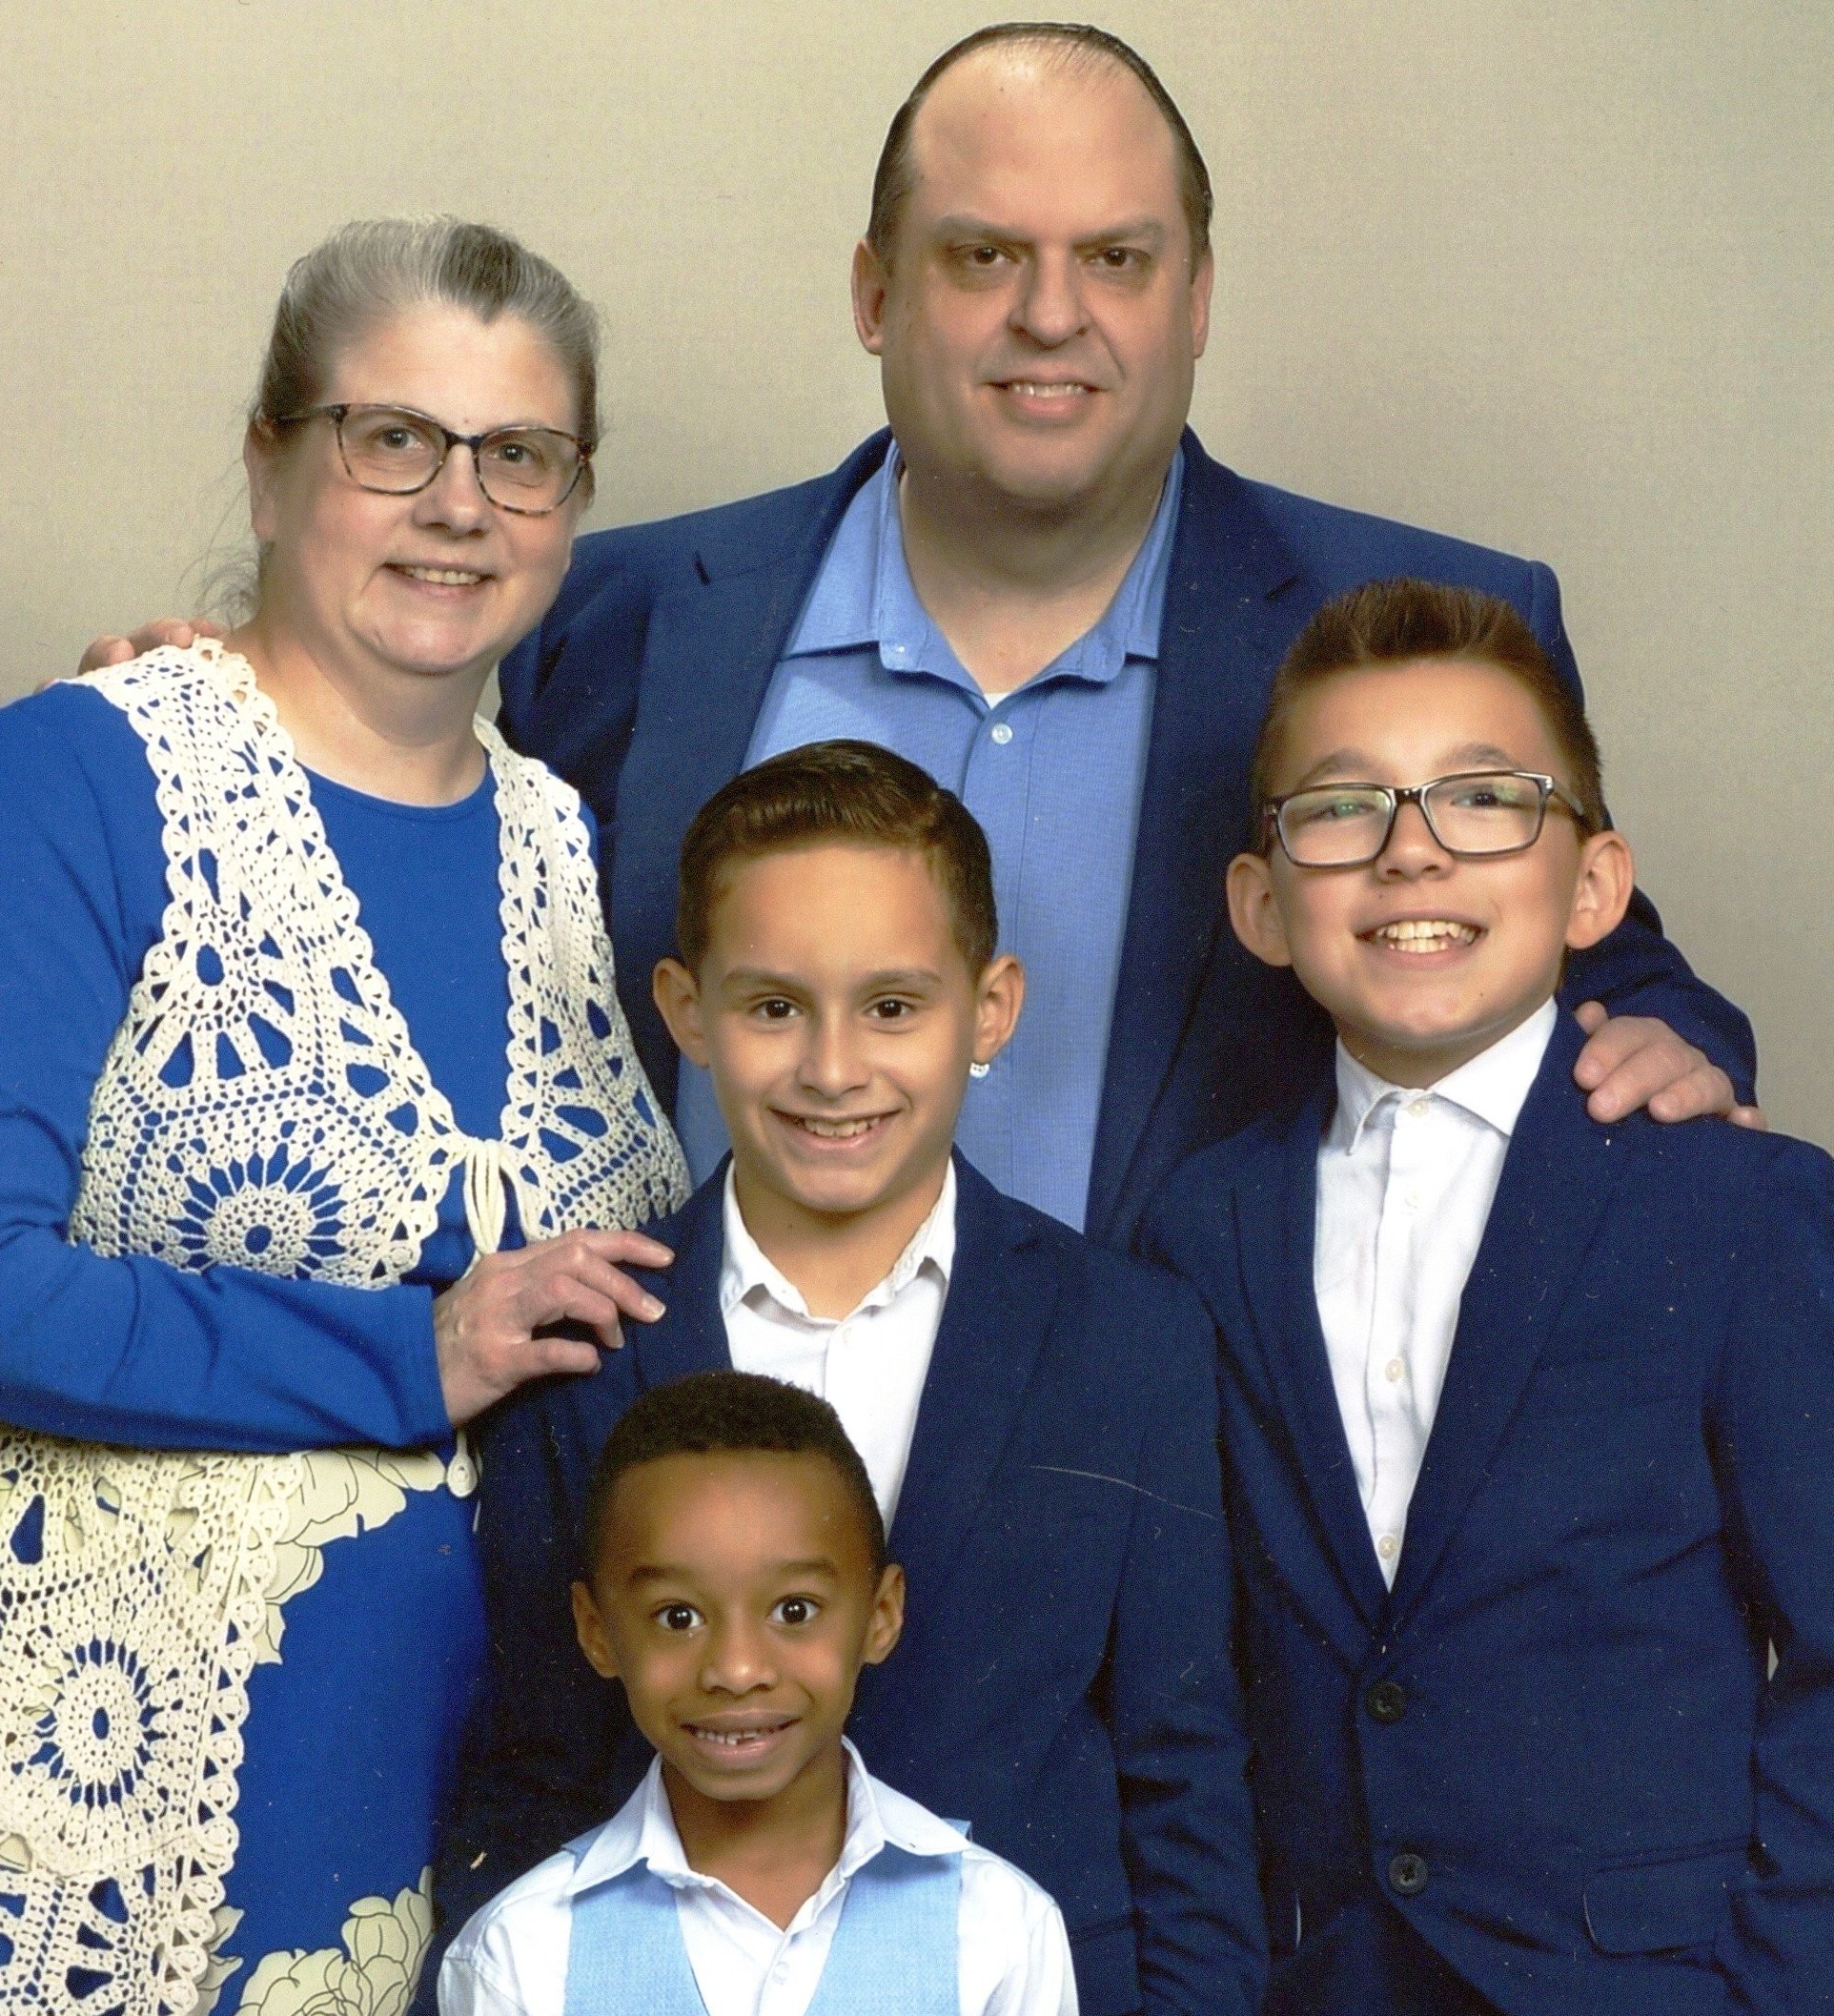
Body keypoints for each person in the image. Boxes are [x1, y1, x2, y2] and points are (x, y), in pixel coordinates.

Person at [87, 24, 1761, 1251]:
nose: (1052, 314)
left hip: (1175, 1540)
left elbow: (1614, 975)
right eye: (983, 255)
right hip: (690, 1533)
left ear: (1194, 298)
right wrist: (227, 729)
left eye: (1116, 258)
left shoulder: (1399, 629)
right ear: (875, 294)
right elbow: (387, 867)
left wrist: (1673, 1054)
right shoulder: (609, 614)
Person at [0, 218, 689, 2016]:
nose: (458, 504)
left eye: (518, 454)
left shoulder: (572, 843)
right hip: (124, 1806)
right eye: (393, 438)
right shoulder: (84, 771)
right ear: (269, 460)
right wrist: (410, 1352)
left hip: (492, 1829)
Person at [442, 741, 1264, 2015]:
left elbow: (1184, 1779)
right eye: (774, 1007)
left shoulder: (1128, 1336)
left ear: (990, 1008)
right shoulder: (590, 1342)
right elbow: (532, 1764)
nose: (832, 1069)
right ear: (685, 1009)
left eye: (892, 1007)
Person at [1140, 579, 1834, 2014]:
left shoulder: (1738, 1207)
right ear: (1262, 904)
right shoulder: (1199, 1230)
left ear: (1594, 886)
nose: (1412, 851)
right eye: (1343, 809)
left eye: (1482, 800)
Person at [439, 1369, 1078, 2016]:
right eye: (678, 1616)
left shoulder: (998, 1929)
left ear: (881, 1616)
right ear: (597, 1632)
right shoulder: (522, 1952)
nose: (737, 1669)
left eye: (795, 1610)